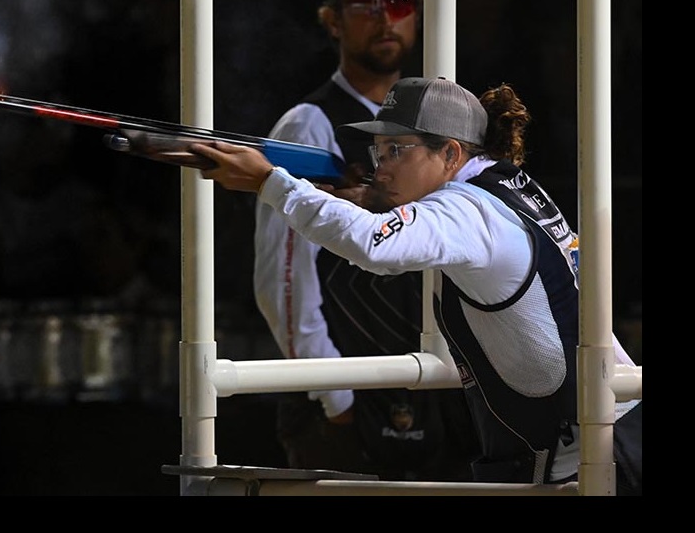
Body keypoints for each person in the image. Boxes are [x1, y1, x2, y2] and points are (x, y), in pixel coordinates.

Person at [190, 77, 643, 493]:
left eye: (395, 151)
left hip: (588, 456)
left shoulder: (467, 209)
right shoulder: (502, 187)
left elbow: (374, 246)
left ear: (449, 154)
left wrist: (269, 182)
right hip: (606, 430)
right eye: (378, 152)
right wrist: (346, 198)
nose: (380, 168)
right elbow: (390, 234)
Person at [253, 0, 477, 480]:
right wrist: (338, 401)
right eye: (365, 3)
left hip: (429, 390)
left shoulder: (442, 127)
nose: (385, 17)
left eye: (400, 2)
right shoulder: (310, 124)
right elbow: (284, 283)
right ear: (332, 20)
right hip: (345, 408)